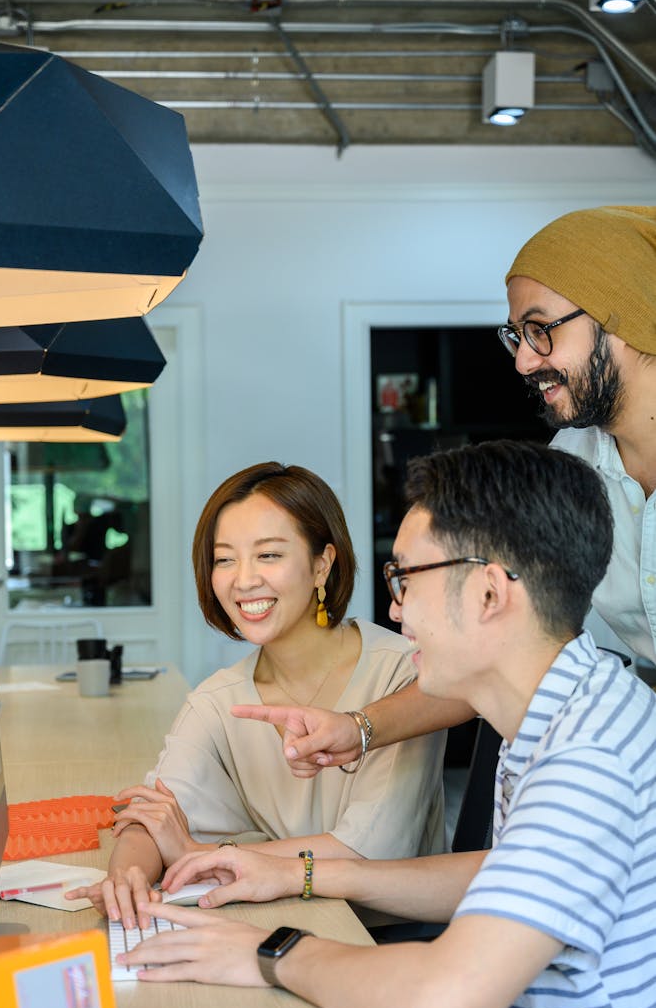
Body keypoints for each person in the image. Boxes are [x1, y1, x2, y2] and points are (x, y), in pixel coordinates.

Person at [116, 440, 656, 1008]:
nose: (395, 609)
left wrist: (270, 952)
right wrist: (304, 876)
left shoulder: (586, 762)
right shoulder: (576, 706)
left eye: (406, 578)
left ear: (488, 593)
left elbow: (443, 1004)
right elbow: (500, 871)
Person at [235, 204, 656, 774]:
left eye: (541, 330)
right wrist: (359, 729)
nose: (525, 361)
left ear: (624, 312)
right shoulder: (571, 464)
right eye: (517, 337)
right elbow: (506, 646)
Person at [68, 461, 446, 926]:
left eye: (268, 555)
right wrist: (125, 877)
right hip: (270, 920)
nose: (243, 580)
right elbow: (152, 818)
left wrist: (208, 854)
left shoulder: (405, 672)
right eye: (225, 559)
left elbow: (371, 851)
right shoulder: (218, 700)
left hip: (379, 940)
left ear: (321, 564)